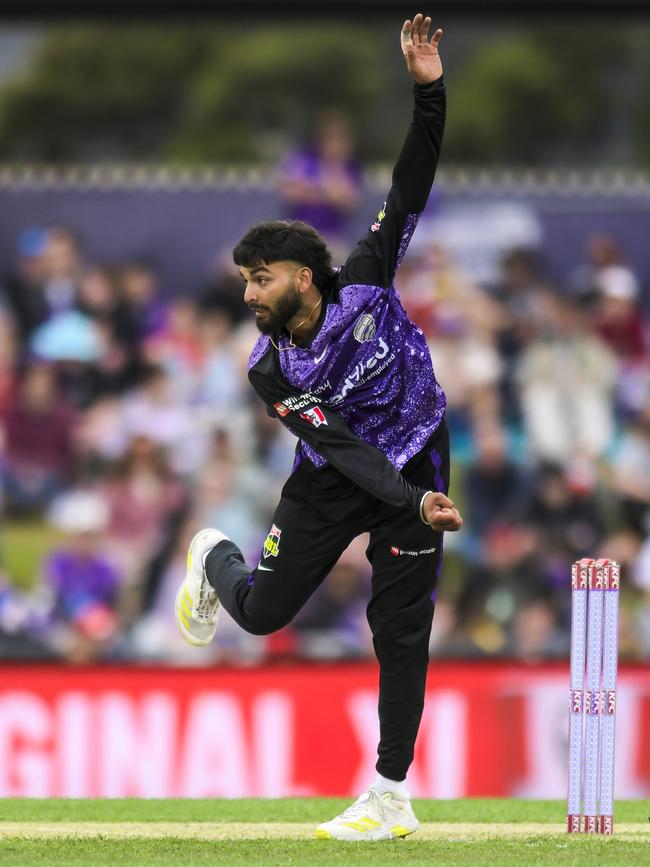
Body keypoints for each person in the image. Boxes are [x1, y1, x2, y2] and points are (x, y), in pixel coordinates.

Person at [175, 14, 462, 841]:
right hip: (340, 478)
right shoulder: (271, 370)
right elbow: (339, 445)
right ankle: (211, 552)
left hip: (420, 456)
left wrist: (428, 90)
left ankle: (390, 795)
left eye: (259, 280)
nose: (248, 296)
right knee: (262, 615)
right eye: (243, 283)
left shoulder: (368, 279)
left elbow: (414, 178)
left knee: (402, 631)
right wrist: (412, 501)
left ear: (302, 274)